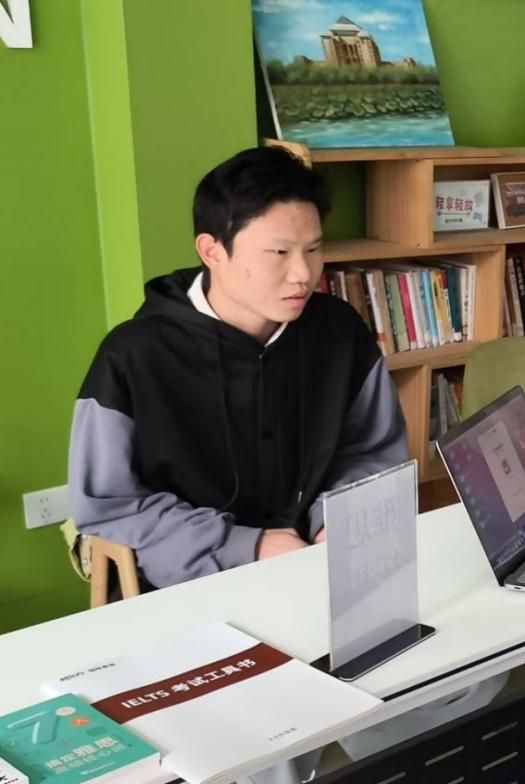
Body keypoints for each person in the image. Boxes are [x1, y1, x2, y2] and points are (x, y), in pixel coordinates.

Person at [68, 145, 408, 589]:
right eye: (279, 252)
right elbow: (108, 506)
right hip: (186, 589)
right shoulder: (132, 357)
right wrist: (246, 546)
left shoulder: (341, 333)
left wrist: (340, 518)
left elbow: (373, 452)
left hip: (322, 568)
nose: (303, 273)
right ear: (211, 250)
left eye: (313, 249)